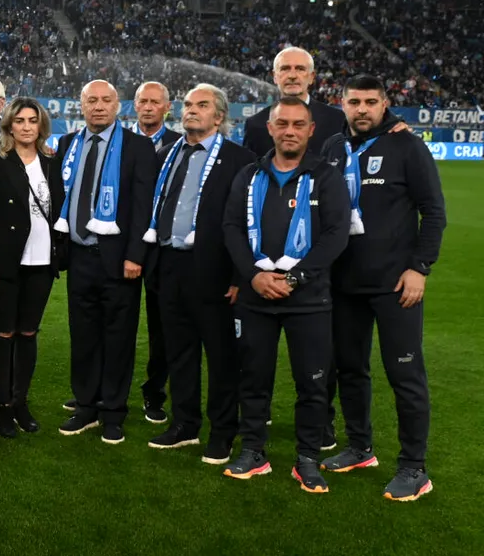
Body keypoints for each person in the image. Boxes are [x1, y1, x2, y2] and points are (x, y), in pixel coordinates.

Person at [320, 75, 445, 502]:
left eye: (371, 102)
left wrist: (420, 268)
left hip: (396, 285)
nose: (362, 109)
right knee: (351, 370)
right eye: (354, 101)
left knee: (405, 375)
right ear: (342, 104)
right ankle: (359, 447)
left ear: (385, 103)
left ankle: (414, 467)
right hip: (343, 284)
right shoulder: (334, 149)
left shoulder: (406, 145)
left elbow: (434, 211)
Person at [221, 97, 350, 494]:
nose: (289, 131)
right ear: (271, 129)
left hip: (309, 301)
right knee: (254, 378)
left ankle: (307, 458)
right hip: (256, 298)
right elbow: (231, 228)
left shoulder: (326, 177)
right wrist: (253, 276)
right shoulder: (247, 174)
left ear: (311, 130)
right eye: (282, 124)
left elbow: (335, 235)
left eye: (298, 124)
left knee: (312, 384)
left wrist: (293, 280)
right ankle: (254, 450)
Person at [141, 85, 255, 465]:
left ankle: (223, 432)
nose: (191, 111)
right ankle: (184, 424)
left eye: (202, 106)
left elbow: (247, 222)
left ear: (219, 117)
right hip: (170, 265)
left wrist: (240, 277)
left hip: (216, 273)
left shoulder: (240, 159)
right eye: (188, 105)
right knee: (180, 353)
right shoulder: (168, 153)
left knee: (222, 357)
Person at [54, 80, 155, 445]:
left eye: (105, 100)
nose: (98, 106)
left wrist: (135, 255)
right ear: (80, 106)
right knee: (83, 336)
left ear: (118, 106)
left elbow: (144, 207)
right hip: (79, 256)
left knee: (118, 337)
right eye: (91, 100)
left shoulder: (138, 147)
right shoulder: (67, 145)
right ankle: (86, 406)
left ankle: (113, 411)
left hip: (118, 260)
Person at [0, 97, 64, 438]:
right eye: (21, 120)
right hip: (5, 265)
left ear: (41, 126)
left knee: (28, 334)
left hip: (41, 262)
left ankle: (20, 401)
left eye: (33, 120)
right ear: (9, 125)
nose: (27, 126)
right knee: (3, 335)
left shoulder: (51, 164)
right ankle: (2, 407)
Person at [129, 80, 181, 423]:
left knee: (164, 328)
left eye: (155, 102)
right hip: (124, 249)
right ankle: (96, 390)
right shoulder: (119, 141)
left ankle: (155, 394)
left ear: (167, 107)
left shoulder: (181, 144)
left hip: (164, 252)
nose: (148, 107)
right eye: (143, 101)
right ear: (134, 106)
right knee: (113, 322)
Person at [241, 47, 348, 156]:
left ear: (311, 77)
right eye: (285, 69)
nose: (292, 76)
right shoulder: (255, 125)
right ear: (275, 77)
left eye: (300, 69)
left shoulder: (338, 120)